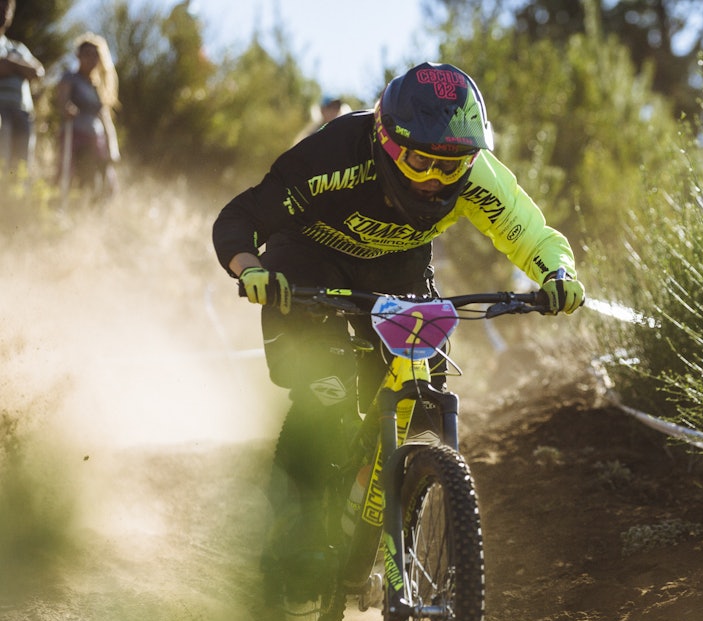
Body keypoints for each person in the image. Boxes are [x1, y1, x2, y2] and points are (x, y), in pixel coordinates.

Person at [212, 62, 585, 593]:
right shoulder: (335, 151)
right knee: (329, 390)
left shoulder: (473, 172)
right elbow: (240, 217)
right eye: (419, 160)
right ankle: (294, 528)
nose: (435, 178)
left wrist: (557, 272)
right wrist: (250, 269)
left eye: (450, 166)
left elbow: (526, 229)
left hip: (398, 278)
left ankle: (381, 509)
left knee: (426, 398)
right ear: (387, 142)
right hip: (309, 270)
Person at [54, 33, 120, 199]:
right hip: (74, 136)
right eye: (87, 54)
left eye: (94, 55)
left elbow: (105, 118)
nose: (91, 59)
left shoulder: (97, 87)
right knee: (70, 176)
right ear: (78, 55)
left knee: (98, 181)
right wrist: (66, 108)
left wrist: (113, 148)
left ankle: (89, 215)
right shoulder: (70, 77)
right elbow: (62, 99)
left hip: (95, 141)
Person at [0, 0, 43, 177]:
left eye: (6, 9)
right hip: (0, 113)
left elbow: (37, 71)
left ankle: (18, 201)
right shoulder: (18, 53)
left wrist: (9, 64)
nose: (2, 12)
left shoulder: (18, 47)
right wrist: (20, 67)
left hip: (22, 113)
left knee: (22, 164)